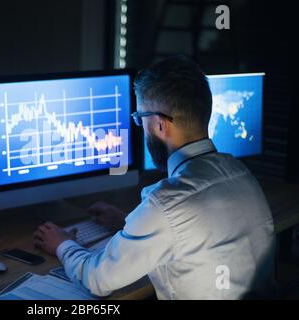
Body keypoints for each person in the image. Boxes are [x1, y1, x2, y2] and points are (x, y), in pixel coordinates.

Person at [33, 56, 276, 299]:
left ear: (160, 125)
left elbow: (97, 279)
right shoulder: (241, 174)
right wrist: (129, 222)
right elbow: (192, 234)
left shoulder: (166, 203)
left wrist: (62, 243)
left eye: (140, 118)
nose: (140, 126)